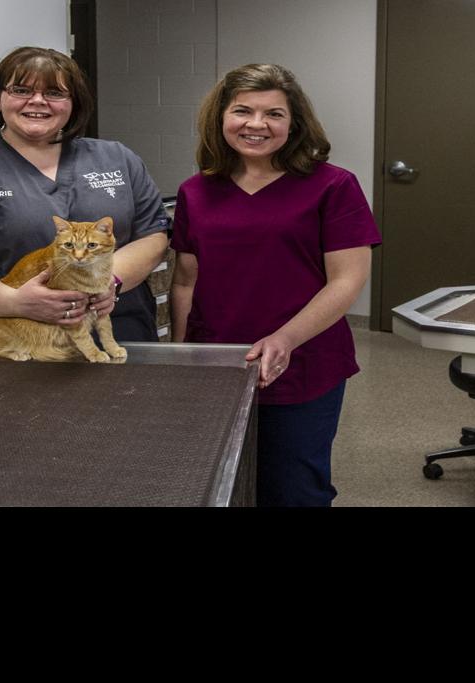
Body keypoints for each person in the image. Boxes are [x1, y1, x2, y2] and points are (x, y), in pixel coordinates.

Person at [169, 64, 379, 507]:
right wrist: (182, 355)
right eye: (243, 110)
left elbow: (348, 280)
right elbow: (186, 281)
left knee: (293, 488)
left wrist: (286, 338)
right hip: (218, 362)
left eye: (274, 114)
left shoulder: (333, 186)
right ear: (221, 118)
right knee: (217, 484)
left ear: (294, 123)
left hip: (304, 362)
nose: (257, 125)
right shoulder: (195, 192)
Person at [0, 47, 170, 381]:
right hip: (14, 355)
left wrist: (109, 281)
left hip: (116, 339)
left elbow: (152, 234)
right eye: (21, 90)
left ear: (74, 103)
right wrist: (17, 302)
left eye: (54, 93)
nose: (37, 101)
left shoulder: (116, 159)